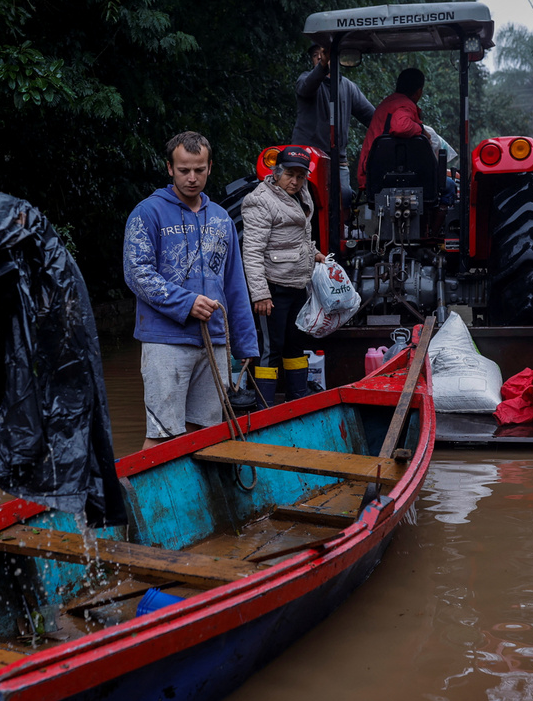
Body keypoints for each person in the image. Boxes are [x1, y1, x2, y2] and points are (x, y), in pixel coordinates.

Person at [124, 131, 259, 449]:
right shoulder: (147, 213)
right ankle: (151, 501)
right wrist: (185, 303)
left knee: (206, 434)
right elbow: (137, 274)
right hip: (165, 342)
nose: (192, 178)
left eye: (199, 169)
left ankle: (200, 500)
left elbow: (234, 284)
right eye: (184, 170)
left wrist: (245, 344)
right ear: (170, 168)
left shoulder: (222, 219)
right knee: (163, 436)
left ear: (210, 167)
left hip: (214, 342)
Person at [240, 146, 326, 406]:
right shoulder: (260, 200)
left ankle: (297, 400)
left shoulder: (302, 193)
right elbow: (252, 251)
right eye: (290, 174)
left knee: (296, 343)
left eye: (301, 176)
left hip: (298, 284)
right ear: (276, 172)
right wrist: (261, 294)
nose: (295, 181)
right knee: (271, 348)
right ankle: (264, 409)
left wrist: (314, 254)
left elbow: (298, 237)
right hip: (273, 288)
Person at [356, 68, 457, 205]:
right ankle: (434, 227)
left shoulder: (386, 104)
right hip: (390, 176)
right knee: (449, 186)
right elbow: (401, 127)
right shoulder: (405, 105)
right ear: (419, 92)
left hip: (374, 175)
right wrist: (421, 130)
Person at [290, 44, 375, 206]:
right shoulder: (305, 80)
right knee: (304, 199)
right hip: (308, 158)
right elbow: (307, 87)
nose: (321, 57)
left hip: (338, 159)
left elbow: (373, 117)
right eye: (316, 55)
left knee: (345, 196)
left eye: (325, 54)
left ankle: (342, 229)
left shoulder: (349, 87)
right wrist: (323, 66)